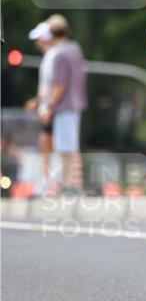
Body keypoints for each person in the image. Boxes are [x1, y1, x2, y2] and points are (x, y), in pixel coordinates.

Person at [41, 14, 87, 194]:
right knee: (72, 147)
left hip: (64, 106)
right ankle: (75, 184)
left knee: (65, 149)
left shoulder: (59, 54)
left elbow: (59, 86)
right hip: (76, 104)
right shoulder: (75, 49)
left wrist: (49, 107)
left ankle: (72, 185)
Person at [24, 21, 57, 193]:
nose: (36, 42)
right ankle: (46, 182)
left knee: (48, 145)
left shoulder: (53, 56)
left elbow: (53, 86)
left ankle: (48, 183)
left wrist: (46, 106)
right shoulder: (49, 57)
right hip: (48, 108)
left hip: (51, 109)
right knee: (46, 145)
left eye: (38, 38)